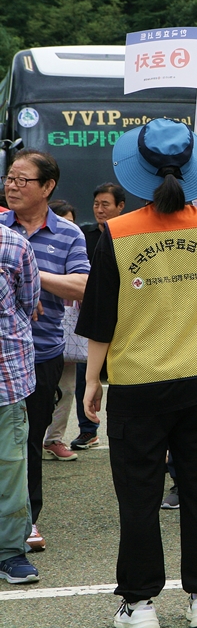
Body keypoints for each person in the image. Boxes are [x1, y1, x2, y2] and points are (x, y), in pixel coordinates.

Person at [77, 118, 197, 626]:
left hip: (138, 384)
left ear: (135, 172)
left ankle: (140, 603)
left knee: (139, 497)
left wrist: (92, 380)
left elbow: (101, 317)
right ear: (193, 171)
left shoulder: (116, 233)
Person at [1, 150, 89, 553]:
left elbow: (83, 286)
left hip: (42, 354)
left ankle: (27, 518)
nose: (12, 186)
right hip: (3, 353)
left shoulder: (69, 234)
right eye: (9, 178)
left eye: (23, 180)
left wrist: (30, 272)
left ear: (48, 187)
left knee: (29, 441)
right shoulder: (1, 227)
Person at [71, 183, 126, 452]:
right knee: (86, 372)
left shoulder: (127, 236)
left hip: (124, 316)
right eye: (96, 204)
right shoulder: (85, 235)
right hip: (92, 315)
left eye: (106, 204)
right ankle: (87, 430)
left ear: (120, 206)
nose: (99, 209)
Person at [0, 223, 41, 585]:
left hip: (6, 378)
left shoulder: (13, 244)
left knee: (11, 469)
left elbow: (28, 303)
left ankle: (10, 551)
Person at [41, 200, 81, 462]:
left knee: (66, 388)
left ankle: (54, 439)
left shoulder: (76, 245)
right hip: (42, 328)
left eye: (71, 222)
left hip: (68, 329)